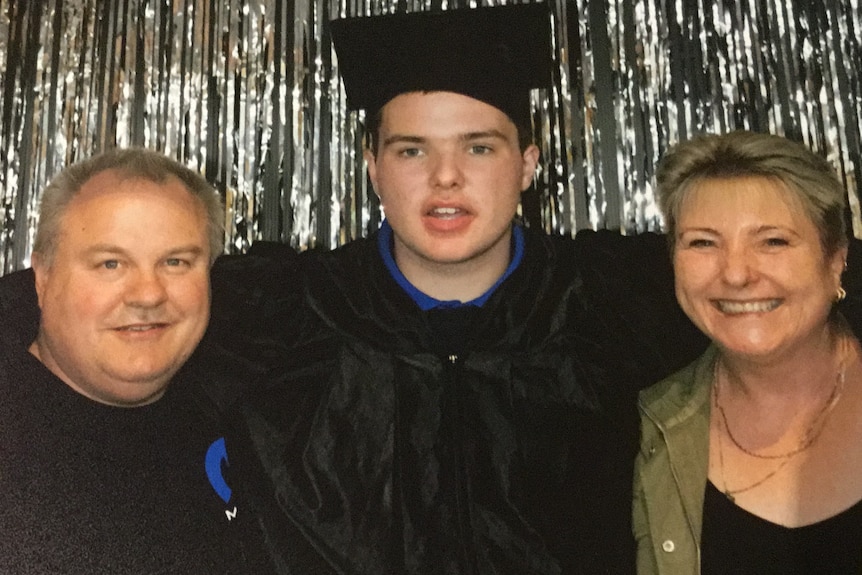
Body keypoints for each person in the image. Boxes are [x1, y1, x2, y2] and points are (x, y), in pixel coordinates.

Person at [204, 4, 707, 574]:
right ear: (373, 168)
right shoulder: (278, 317)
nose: (446, 176)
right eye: (412, 149)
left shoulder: (616, 304)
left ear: (526, 165)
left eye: (479, 147)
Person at [0, 149, 274, 573]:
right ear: (42, 276)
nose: (148, 294)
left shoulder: (249, 409)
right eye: (111, 263)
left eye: (176, 262)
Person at [632, 131, 862, 574]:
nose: (736, 274)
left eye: (773, 241)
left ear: (836, 259)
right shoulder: (648, 430)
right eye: (703, 242)